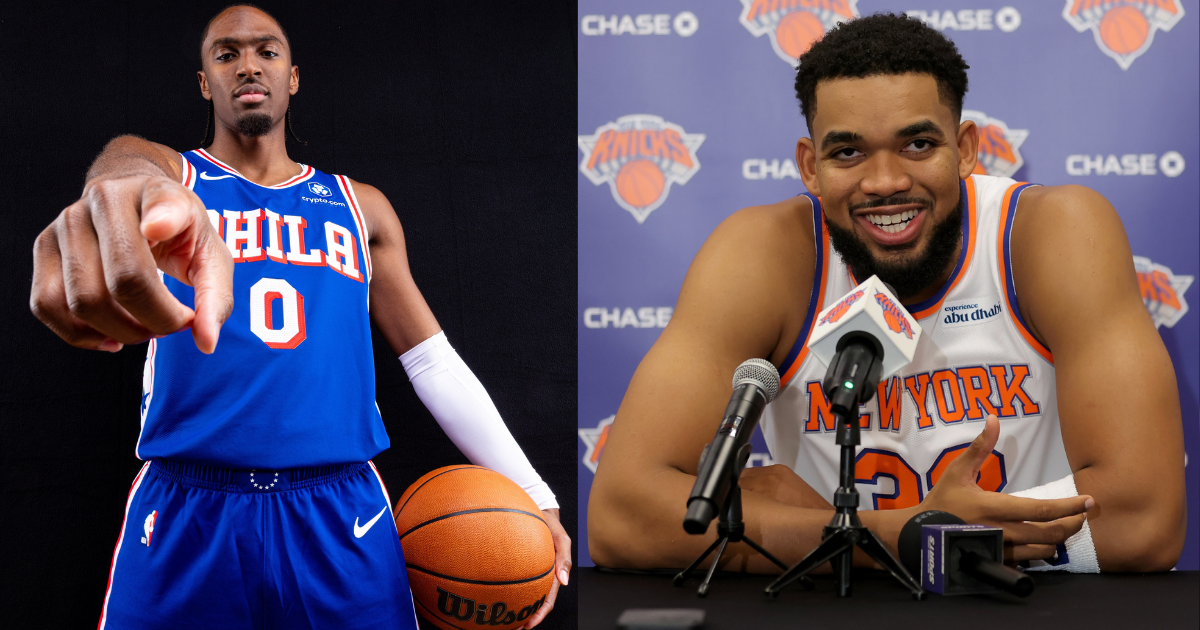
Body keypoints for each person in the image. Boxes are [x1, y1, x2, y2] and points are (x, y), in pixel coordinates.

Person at [29, 6, 570, 628]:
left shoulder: (358, 207)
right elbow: (129, 161)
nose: (248, 64)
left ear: (292, 76)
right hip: (187, 501)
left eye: (267, 50)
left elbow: (430, 361)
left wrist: (533, 492)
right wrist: (116, 187)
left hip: (340, 510)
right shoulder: (178, 184)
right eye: (226, 54)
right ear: (205, 81)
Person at [588, 14, 1185, 575]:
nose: (885, 182)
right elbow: (620, 518)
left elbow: (1143, 521)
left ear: (967, 149)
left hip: (1027, 607)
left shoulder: (1050, 232)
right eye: (847, 152)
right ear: (810, 166)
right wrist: (909, 535)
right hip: (840, 605)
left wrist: (818, 531)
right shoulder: (765, 253)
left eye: (918, 145)